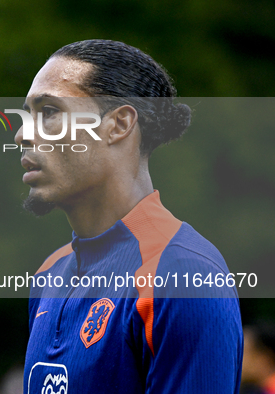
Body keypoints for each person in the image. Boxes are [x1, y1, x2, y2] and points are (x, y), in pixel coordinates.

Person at [16, 40, 243, 393]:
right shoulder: (49, 273)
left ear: (118, 124)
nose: (21, 134)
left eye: (48, 112)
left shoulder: (183, 275)